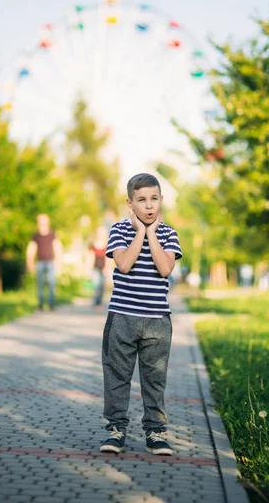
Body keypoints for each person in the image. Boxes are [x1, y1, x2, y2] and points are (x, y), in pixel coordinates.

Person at [100, 173, 182, 456]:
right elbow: (123, 264)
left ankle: (156, 433)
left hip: (157, 321)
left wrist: (151, 234)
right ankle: (116, 430)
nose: (149, 206)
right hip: (122, 317)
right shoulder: (119, 230)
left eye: (154, 199)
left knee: (154, 379)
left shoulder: (169, 233)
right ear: (130, 203)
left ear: (161, 200)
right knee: (117, 376)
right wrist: (139, 233)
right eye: (142, 200)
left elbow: (165, 268)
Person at [26, 214, 63, 311]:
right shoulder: (36, 236)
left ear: (48, 223)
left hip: (50, 262)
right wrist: (29, 262)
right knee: (40, 284)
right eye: (41, 223)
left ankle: (51, 304)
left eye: (44, 223)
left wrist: (59, 261)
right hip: (40, 262)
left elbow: (57, 248)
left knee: (51, 283)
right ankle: (40, 304)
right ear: (38, 224)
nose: (42, 225)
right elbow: (31, 249)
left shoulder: (52, 234)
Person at [90, 225, 108, 307]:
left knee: (102, 286)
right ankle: (96, 302)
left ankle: (99, 302)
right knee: (96, 285)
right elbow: (89, 257)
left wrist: (106, 268)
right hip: (95, 268)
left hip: (103, 268)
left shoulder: (107, 244)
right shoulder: (92, 244)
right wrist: (88, 269)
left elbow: (108, 258)